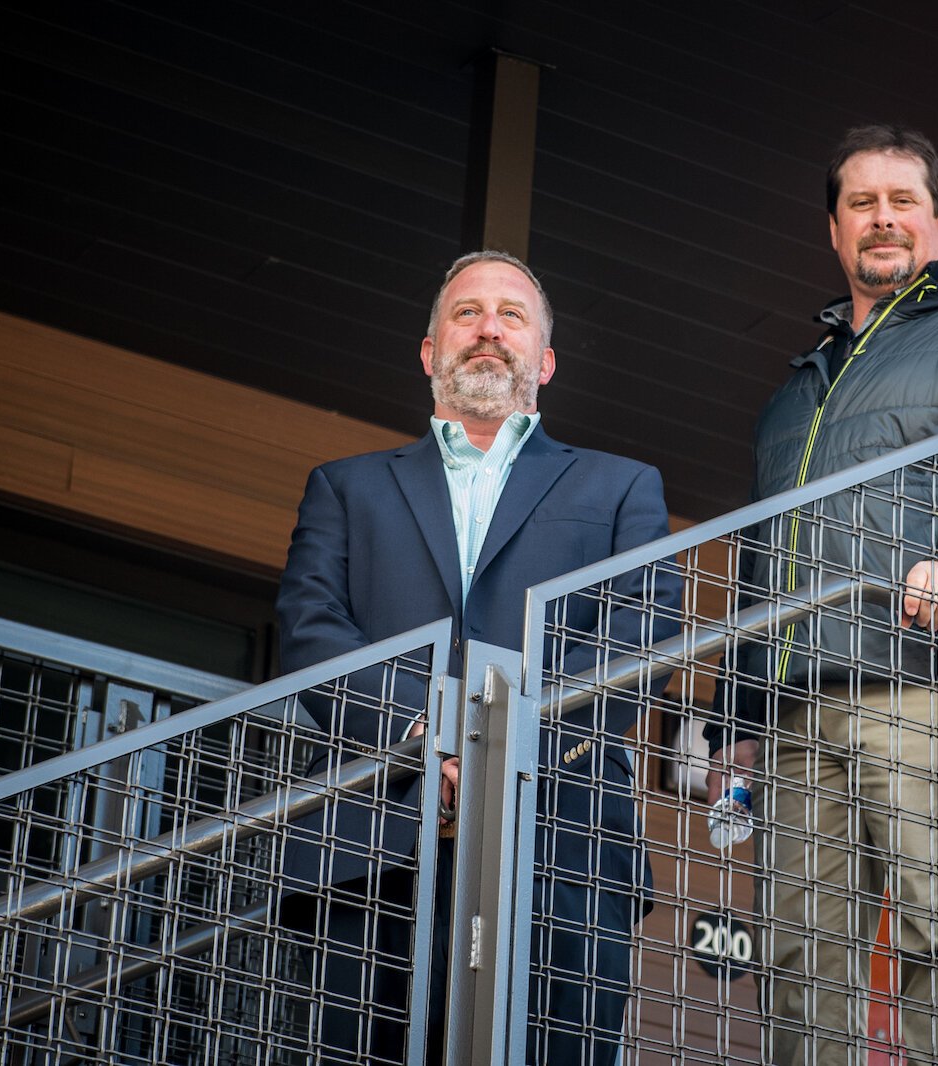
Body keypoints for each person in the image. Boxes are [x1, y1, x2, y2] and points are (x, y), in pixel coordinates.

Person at [707, 125, 938, 1065]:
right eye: (861, 204)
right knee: (799, 961)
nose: (883, 220)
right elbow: (768, 551)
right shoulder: (796, 389)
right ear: (835, 233)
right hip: (800, 705)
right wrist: (733, 717)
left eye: (902, 201)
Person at [278, 250, 681, 1064]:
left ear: (546, 361)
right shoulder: (345, 488)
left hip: (562, 848)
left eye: (511, 315)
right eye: (465, 314)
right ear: (430, 354)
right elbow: (308, 628)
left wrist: (506, 744)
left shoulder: (620, 488)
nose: (488, 329)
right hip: (378, 842)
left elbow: (645, 637)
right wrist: (426, 732)